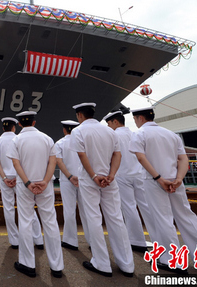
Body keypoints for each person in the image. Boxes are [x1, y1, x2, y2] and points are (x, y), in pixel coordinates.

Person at [129, 107, 197, 275]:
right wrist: (179, 179)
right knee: (187, 217)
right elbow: (183, 158)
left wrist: (158, 178)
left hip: (155, 182)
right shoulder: (171, 134)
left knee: (163, 219)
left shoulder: (139, 134)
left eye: (135, 119)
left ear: (140, 118)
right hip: (176, 181)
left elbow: (141, 157)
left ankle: (173, 261)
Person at [69, 102, 134, 278]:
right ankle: (127, 265)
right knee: (116, 218)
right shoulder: (109, 131)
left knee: (94, 219)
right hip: (109, 179)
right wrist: (111, 175)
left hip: (91, 180)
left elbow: (82, 155)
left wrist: (94, 176)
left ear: (80, 115)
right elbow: (117, 154)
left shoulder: (78, 131)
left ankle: (102, 263)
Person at [7, 111, 64, 279]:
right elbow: (53, 161)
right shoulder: (47, 139)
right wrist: (46, 182)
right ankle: (57, 267)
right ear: (34, 122)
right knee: (50, 222)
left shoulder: (16, 140)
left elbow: (16, 164)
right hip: (45, 185)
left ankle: (28, 264)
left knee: (25, 221)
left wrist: (27, 183)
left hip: (25, 186)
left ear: (19, 124)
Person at [103, 110, 155, 252]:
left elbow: (110, 155)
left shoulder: (113, 135)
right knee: (146, 207)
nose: (108, 127)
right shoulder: (134, 133)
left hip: (122, 175)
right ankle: (157, 238)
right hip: (139, 174)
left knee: (129, 208)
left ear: (115, 122)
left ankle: (137, 240)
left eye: (108, 123)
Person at [0, 117, 44, 250]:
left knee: (8, 209)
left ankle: (14, 241)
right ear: (14, 127)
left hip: (5, 178)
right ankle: (38, 239)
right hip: (20, 178)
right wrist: (19, 177)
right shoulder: (18, 139)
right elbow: (20, 161)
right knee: (28, 207)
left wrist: (4, 178)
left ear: (3, 128)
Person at [54, 120, 91, 251]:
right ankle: (92, 240)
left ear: (64, 130)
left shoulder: (59, 143)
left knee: (69, 210)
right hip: (84, 179)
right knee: (86, 211)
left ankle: (71, 241)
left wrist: (70, 176)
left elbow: (59, 162)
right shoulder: (83, 142)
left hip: (67, 180)